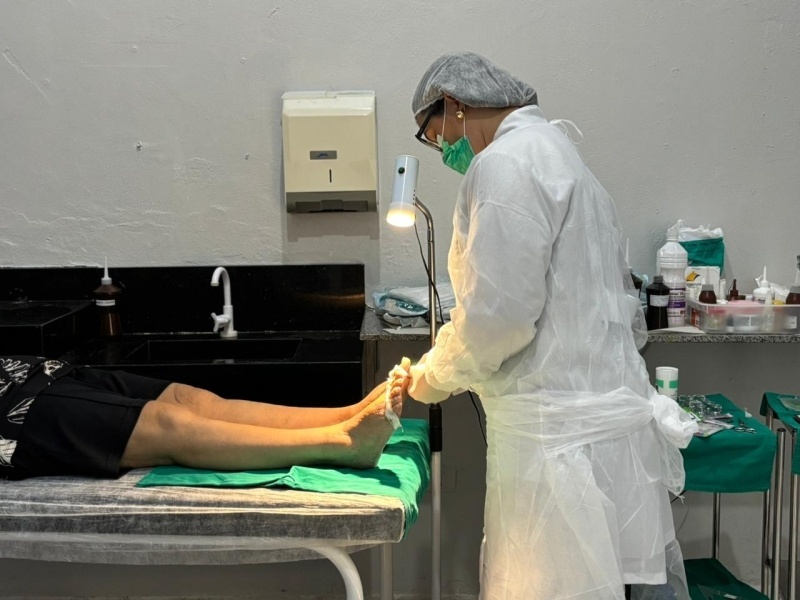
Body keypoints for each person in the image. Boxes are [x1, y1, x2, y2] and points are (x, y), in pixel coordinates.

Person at [405, 52, 698, 600]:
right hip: (605, 435)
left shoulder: (505, 165)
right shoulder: (563, 155)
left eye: (434, 135)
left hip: (556, 450)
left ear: (454, 105)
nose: (443, 150)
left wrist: (435, 375)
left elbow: (499, 317)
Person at [0, 355, 411, 480]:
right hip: (12, 414)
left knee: (188, 398)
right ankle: (345, 443)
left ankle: (345, 415)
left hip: (27, 372)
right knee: (165, 424)